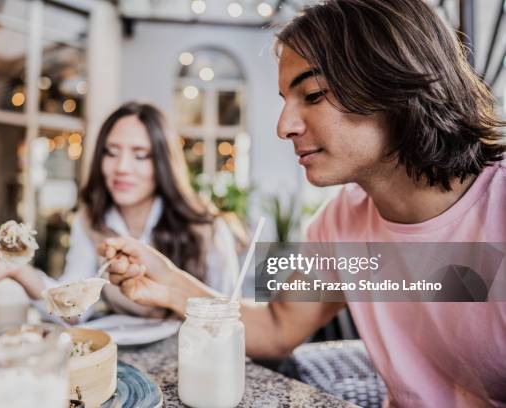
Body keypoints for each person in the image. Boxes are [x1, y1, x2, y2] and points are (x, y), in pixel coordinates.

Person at [97, 1, 506, 407]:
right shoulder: (340, 224)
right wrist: (169, 282)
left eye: (312, 95)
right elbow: (278, 327)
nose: (283, 126)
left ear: (395, 86)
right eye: (284, 100)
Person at [0, 102, 240, 319]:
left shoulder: (206, 227)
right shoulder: (90, 221)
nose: (122, 168)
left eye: (140, 155)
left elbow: (232, 315)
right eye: (111, 152)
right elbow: (73, 307)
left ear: (162, 163)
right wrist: (15, 268)